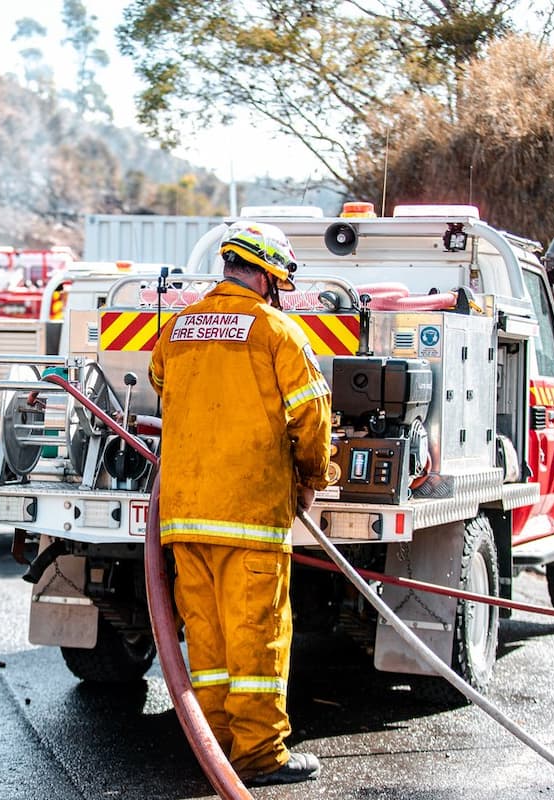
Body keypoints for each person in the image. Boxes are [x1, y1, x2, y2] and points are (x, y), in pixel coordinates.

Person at [148, 222, 332, 786]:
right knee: (257, 638)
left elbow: (161, 383)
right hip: (248, 515)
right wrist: (312, 476)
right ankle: (257, 756)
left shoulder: (178, 327)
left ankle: (216, 747)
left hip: (183, 517)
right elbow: (311, 415)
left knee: (206, 642)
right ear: (271, 274)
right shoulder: (276, 331)